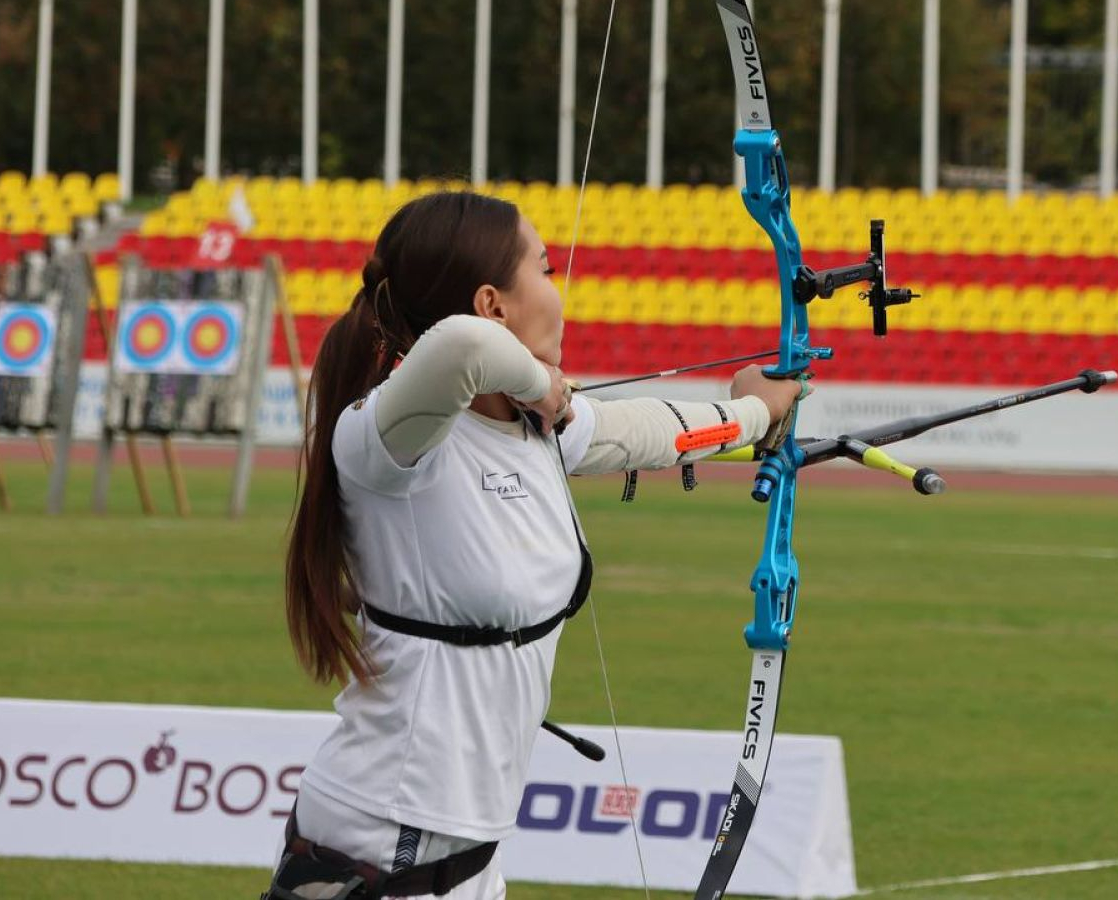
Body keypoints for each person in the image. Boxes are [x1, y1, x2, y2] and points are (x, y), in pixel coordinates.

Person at [265, 191, 801, 899]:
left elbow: (643, 430)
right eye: (545, 270)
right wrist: (542, 383)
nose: (561, 289)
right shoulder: (383, 437)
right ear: (493, 304)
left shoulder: (529, 430)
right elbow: (461, 350)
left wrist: (754, 410)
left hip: (471, 849)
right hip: (382, 837)